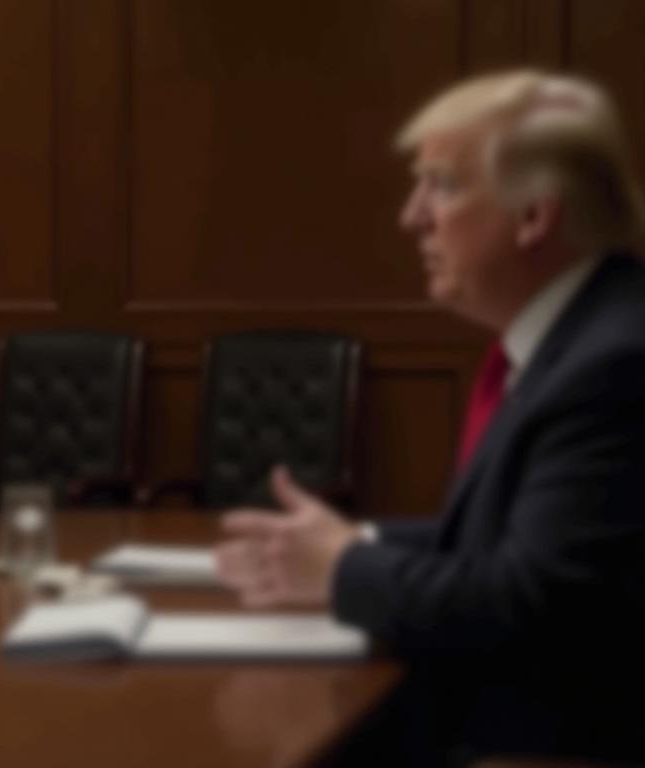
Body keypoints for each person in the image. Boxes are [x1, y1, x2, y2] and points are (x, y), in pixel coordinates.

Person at [215, 70, 645, 763]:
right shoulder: (584, 334)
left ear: (533, 216)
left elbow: (529, 608)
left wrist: (343, 567)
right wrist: (348, 540)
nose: (411, 216)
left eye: (440, 186)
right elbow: (504, 546)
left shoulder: (614, 363)